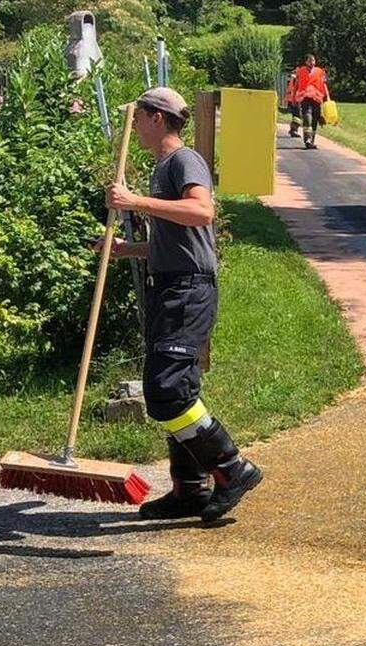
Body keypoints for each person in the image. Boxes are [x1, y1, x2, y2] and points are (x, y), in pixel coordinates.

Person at [98, 87, 263, 523]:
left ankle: (231, 468)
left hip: (188, 290)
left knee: (167, 390)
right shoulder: (162, 168)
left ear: (157, 118)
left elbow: (201, 212)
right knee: (178, 388)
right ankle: (189, 489)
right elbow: (174, 242)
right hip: (170, 284)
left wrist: (135, 202)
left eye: (138, 117)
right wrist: (124, 250)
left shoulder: (184, 161)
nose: (133, 126)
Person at [294, 54, 329, 149]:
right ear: (306, 62)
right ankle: (307, 140)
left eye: (313, 61)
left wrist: (327, 97)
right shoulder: (301, 71)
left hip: (317, 98)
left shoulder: (320, 71)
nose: (312, 63)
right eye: (310, 61)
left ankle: (311, 141)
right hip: (305, 97)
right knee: (307, 117)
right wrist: (294, 97)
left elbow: (324, 84)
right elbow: (296, 84)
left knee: (315, 119)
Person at [285, 72, 301, 138]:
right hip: (295, 99)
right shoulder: (296, 78)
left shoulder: (292, 78)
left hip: (292, 99)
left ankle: (293, 130)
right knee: (297, 115)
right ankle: (293, 130)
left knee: (295, 115)